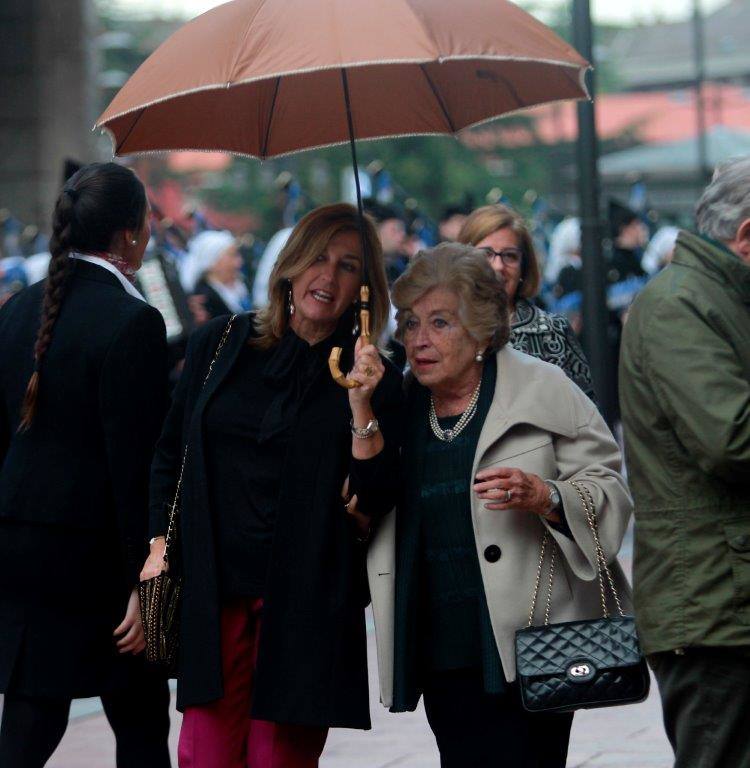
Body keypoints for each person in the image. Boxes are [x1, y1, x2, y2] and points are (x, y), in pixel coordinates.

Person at [140, 203, 403, 768]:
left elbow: (378, 496)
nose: (327, 278)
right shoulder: (219, 343)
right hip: (215, 592)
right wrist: (157, 549)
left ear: (366, 286)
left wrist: (362, 408)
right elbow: (170, 455)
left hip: (305, 598)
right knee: (204, 755)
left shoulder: (373, 372)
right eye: (317, 258)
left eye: (349, 265)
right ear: (289, 265)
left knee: (278, 758)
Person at [366, 244, 633, 768]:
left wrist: (547, 496)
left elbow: (608, 483)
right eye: (410, 322)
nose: (419, 339)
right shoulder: (396, 402)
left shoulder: (543, 386)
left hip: (535, 641)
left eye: (440, 322)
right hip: (440, 644)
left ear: (483, 328)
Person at [0, 162, 171, 768]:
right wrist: (146, 583)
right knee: (142, 727)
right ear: (129, 235)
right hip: (97, 560)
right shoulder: (134, 321)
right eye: (147, 220)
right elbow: (136, 468)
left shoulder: (17, 309)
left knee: (29, 716)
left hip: (21, 543)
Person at [619, 157, 750, 768]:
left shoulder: (722, 298)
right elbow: (732, 439)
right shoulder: (679, 306)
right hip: (713, 607)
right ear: (746, 236)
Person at [458, 204, 596, 402]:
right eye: (486, 254)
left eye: (510, 256)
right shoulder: (439, 326)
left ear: (524, 267)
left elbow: (587, 417)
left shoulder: (552, 332)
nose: (498, 266)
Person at [182, 230, 252, 319]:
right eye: (232, 256)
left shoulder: (242, 285)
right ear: (212, 262)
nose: (239, 262)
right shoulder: (203, 298)